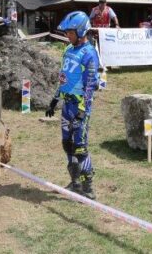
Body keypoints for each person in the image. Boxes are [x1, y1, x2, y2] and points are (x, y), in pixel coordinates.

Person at [45, 11, 100, 200]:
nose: (67, 36)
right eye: (66, 32)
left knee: (80, 147)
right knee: (67, 144)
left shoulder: (89, 54)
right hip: (66, 106)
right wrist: (54, 100)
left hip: (79, 107)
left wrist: (82, 111)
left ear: (81, 31)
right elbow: (63, 78)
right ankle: (75, 182)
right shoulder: (68, 50)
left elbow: (90, 87)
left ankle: (88, 186)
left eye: (70, 32)